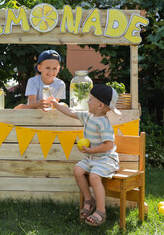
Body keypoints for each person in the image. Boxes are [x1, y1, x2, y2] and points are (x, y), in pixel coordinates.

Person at [51, 84, 121, 226]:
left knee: (95, 177)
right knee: (77, 170)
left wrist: (91, 151)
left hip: (106, 159)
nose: (87, 102)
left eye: (90, 100)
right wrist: (56, 105)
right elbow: (71, 112)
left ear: (100, 105)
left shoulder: (103, 123)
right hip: (92, 158)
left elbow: (109, 145)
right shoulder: (88, 116)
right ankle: (89, 199)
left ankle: (101, 211)